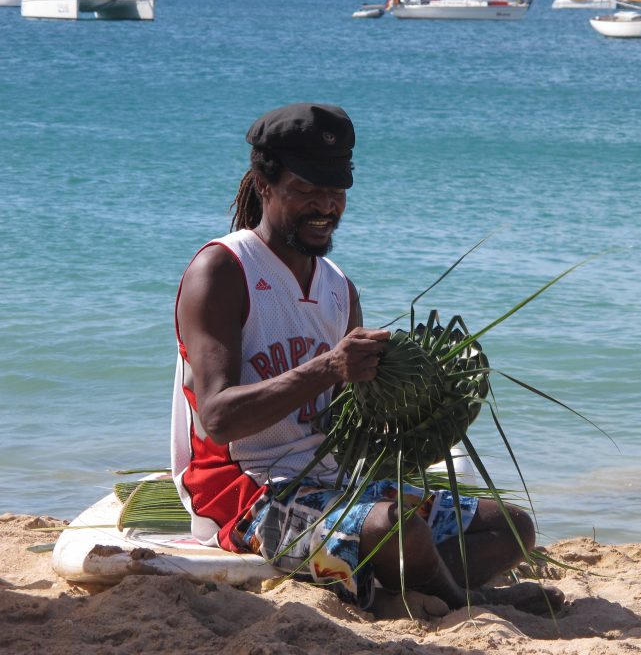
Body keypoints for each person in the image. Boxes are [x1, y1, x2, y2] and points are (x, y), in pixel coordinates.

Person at [170, 102, 562, 615]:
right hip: (243, 493)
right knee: (394, 528)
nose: (325, 206)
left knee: (511, 526)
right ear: (265, 184)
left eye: (336, 192)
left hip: (334, 482)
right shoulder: (223, 270)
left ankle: (406, 584)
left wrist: (422, 398)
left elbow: (350, 418)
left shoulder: (338, 289)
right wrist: (330, 367)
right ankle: (462, 601)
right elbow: (218, 417)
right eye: (307, 190)